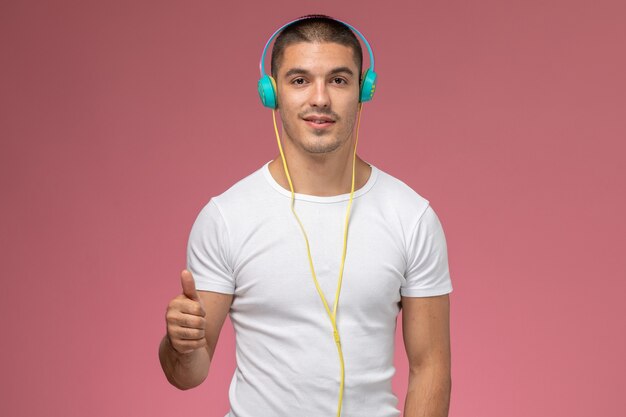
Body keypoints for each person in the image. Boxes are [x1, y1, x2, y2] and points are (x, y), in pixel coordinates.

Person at [159, 15, 453, 417]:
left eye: (338, 80)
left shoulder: (412, 217)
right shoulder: (226, 217)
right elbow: (187, 374)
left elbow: (430, 368)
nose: (320, 99)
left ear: (364, 90)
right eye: (299, 80)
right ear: (272, 92)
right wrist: (180, 343)